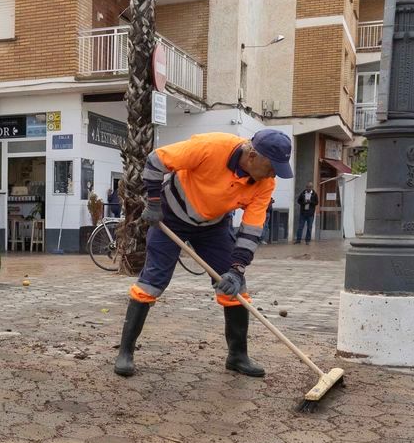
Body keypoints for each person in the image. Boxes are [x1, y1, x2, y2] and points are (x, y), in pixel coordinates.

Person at [114, 129, 292, 378]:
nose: (274, 174)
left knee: (235, 289)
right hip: (170, 218)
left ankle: (237, 355)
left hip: (213, 227)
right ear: (252, 156)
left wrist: (237, 269)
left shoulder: (265, 184)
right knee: (152, 283)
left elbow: (252, 228)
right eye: (272, 167)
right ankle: (125, 352)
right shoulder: (211, 147)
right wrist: (154, 203)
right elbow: (156, 161)